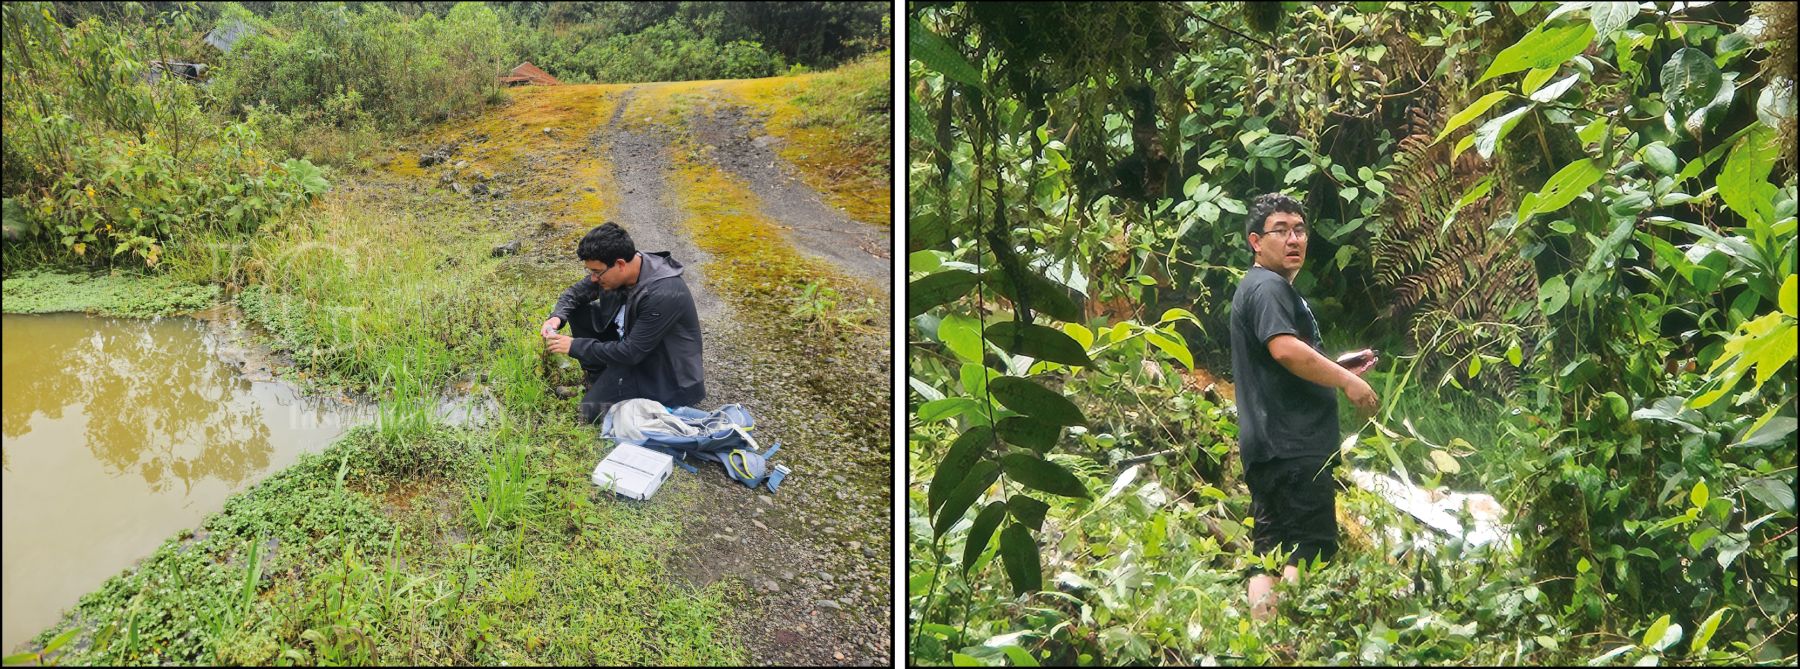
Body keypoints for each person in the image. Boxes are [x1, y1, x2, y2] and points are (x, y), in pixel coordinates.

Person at [1227, 192, 1380, 622]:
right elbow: (1286, 351)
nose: (1293, 239)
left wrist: (1335, 365)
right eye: (1281, 231)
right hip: (1295, 446)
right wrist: (1347, 381)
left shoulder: (1254, 288)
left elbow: (1282, 358)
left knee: (1270, 551)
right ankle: (1296, 639)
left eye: (1299, 229)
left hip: (1265, 447)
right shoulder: (1269, 287)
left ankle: (1265, 642)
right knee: (1313, 545)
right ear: (1256, 241)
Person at [540, 222, 705, 424]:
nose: (592, 278)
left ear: (619, 264)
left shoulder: (664, 292)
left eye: (596, 271)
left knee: (590, 412)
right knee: (577, 310)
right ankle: (598, 377)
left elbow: (631, 352)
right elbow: (574, 294)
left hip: (663, 371)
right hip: (632, 347)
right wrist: (557, 317)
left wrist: (575, 345)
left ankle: (626, 390)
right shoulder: (623, 269)